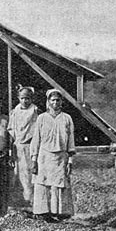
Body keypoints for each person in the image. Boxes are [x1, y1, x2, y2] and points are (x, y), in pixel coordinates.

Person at [30, 89, 76, 223]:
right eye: (53, 100)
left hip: (61, 156)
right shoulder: (42, 118)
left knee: (60, 182)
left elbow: (71, 139)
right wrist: (34, 159)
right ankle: (43, 213)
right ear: (48, 102)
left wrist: (70, 160)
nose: (55, 102)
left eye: (58, 100)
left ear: (61, 102)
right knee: (43, 183)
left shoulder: (67, 118)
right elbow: (36, 139)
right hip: (44, 156)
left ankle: (60, 212)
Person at [7, 86, 39, 209]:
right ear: (18, 98)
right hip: (17, 148)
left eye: (27, 98)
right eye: (22, 98)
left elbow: (37, 131)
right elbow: (11, 131)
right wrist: (11, 151)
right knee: (16, 176)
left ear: (31, 99)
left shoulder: (35, 111)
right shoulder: (14, 112)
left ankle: (31, 204)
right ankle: (18, 205)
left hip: (30, 147)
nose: (25, 101)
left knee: (29, 176)